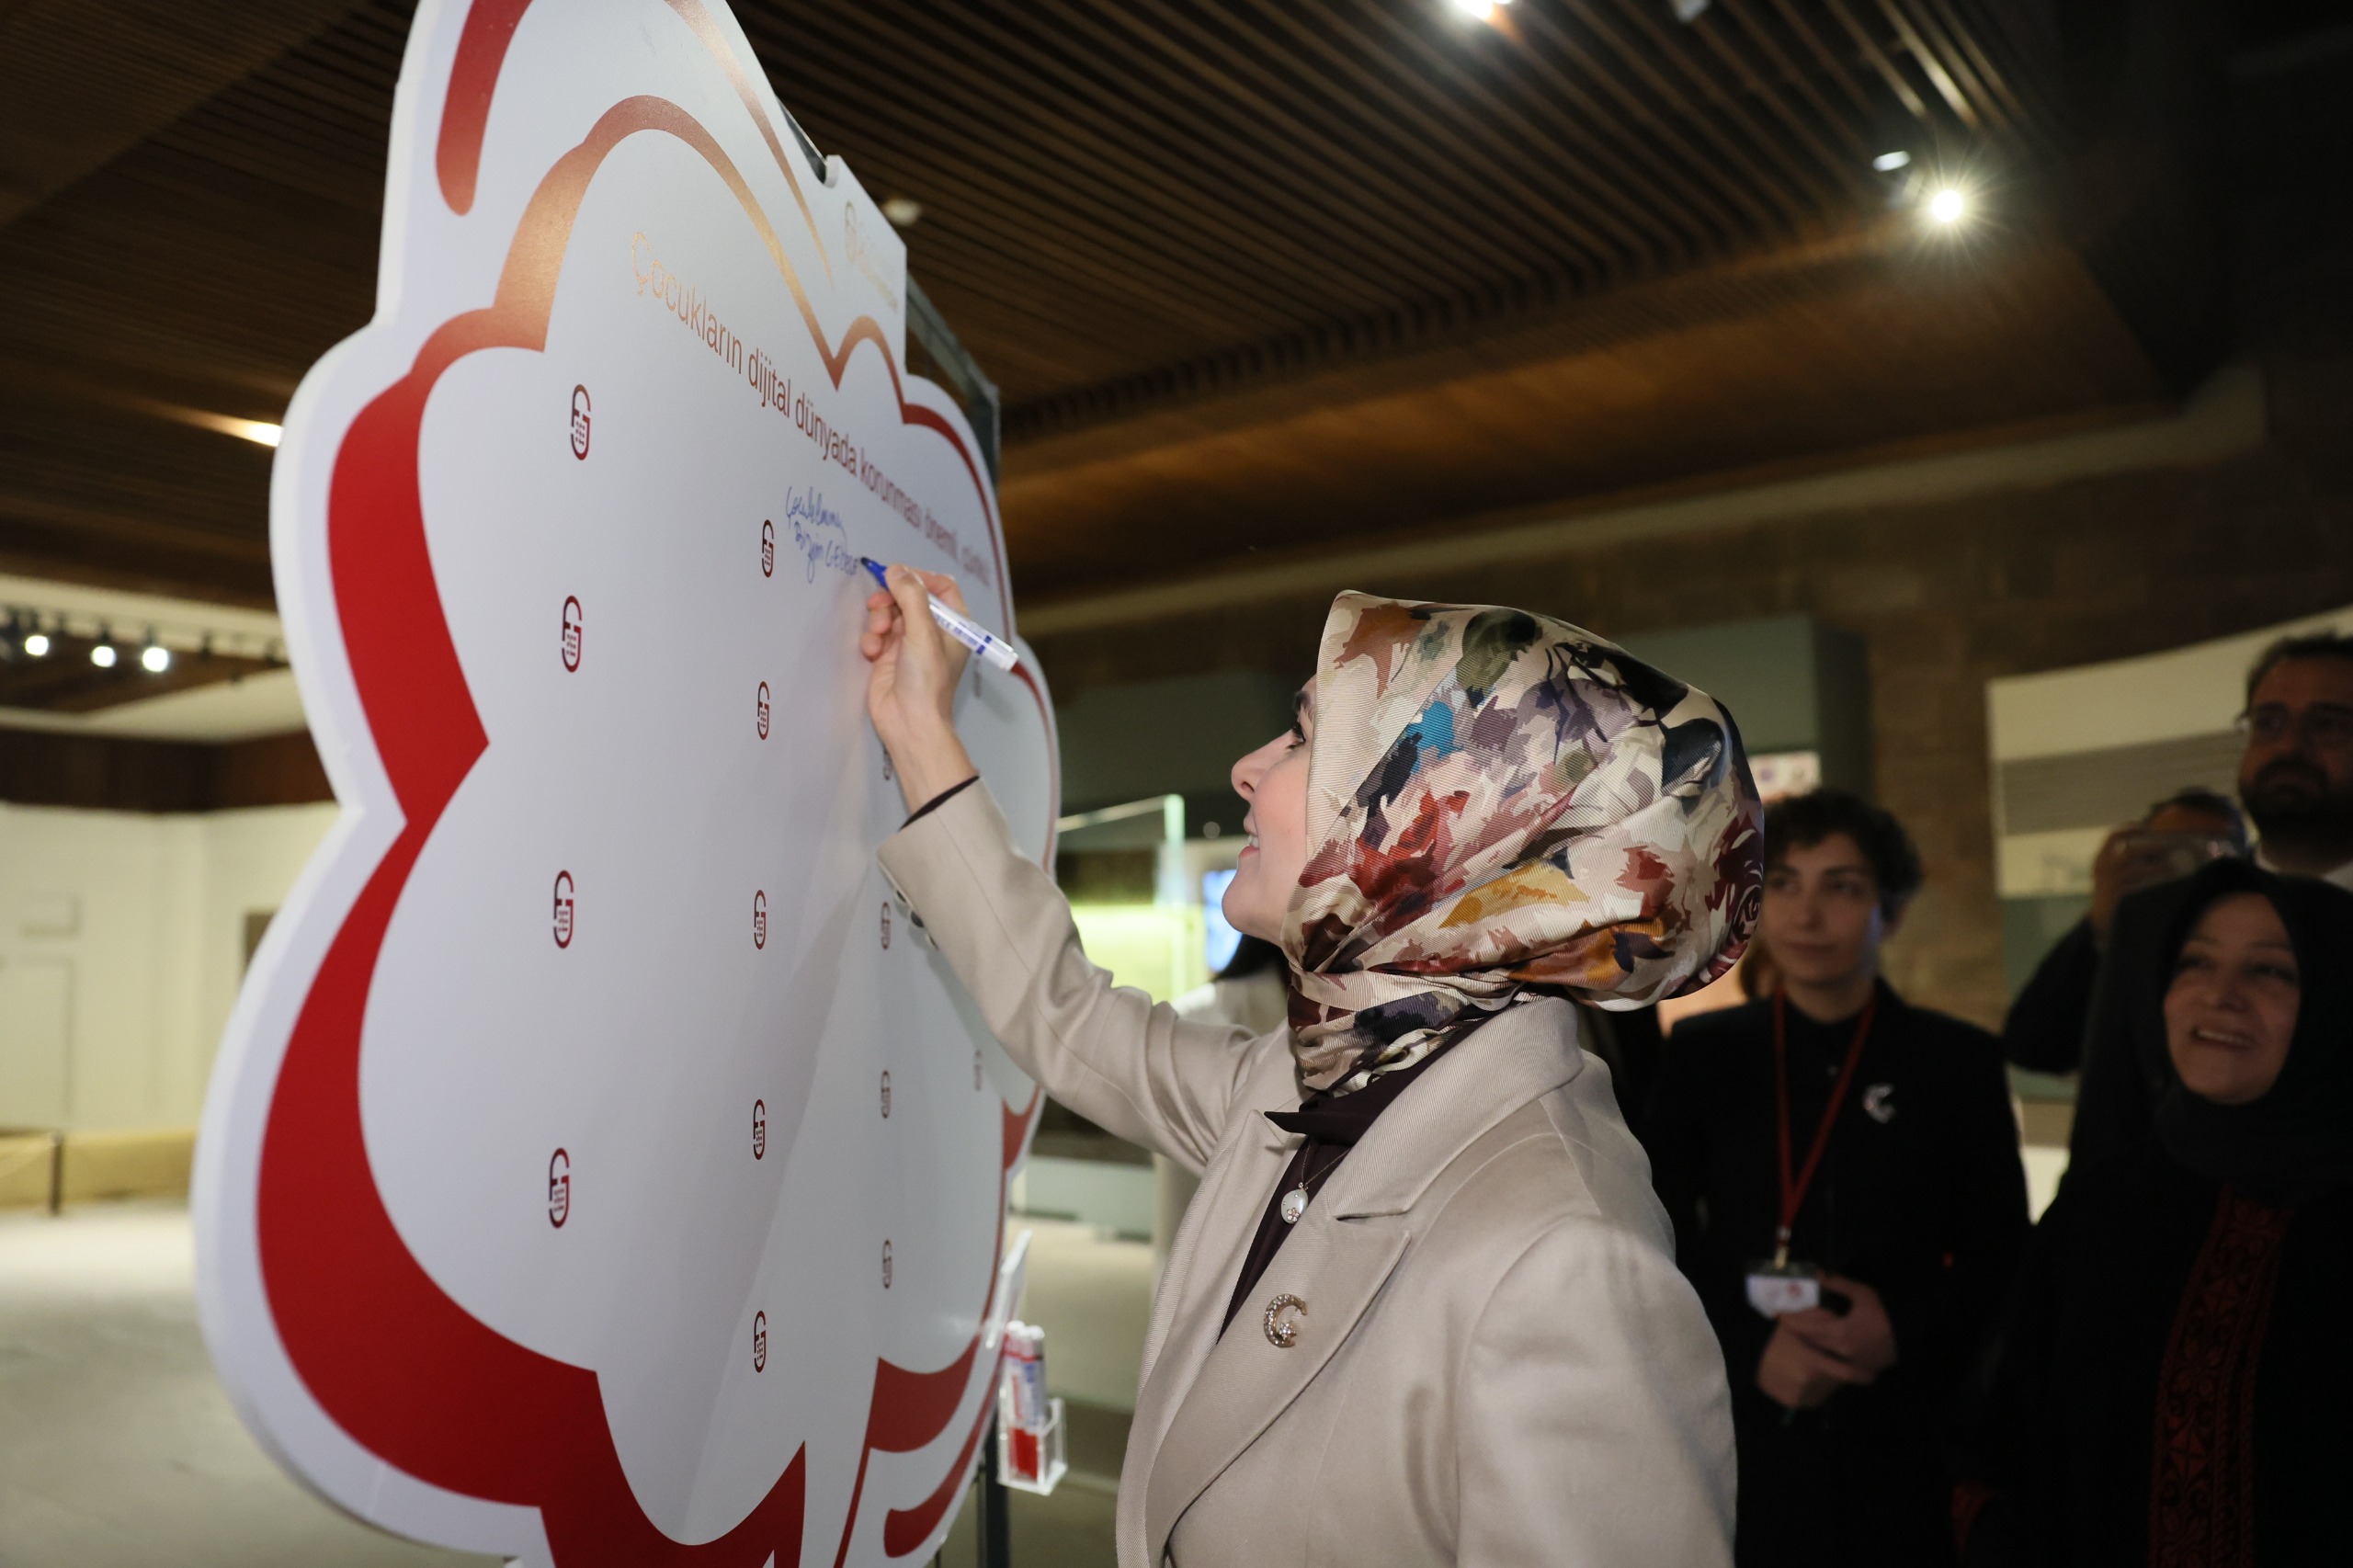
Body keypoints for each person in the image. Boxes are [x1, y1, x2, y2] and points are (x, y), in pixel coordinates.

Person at [861, 566, 1760, 1567]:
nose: (1247, 769)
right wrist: (918, 727)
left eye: (1301, 739)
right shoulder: (1324, 1081)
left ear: (1439, 823)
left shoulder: (1565, 1261)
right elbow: (1069, 1018)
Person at [1643, 789, 2029, 1568]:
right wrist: (1752, 1346)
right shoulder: (1704, 1054)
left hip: (1904, 1430)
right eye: (1783, 883)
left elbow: (2003, 1256)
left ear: (1893, 908)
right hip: (1742, 1420)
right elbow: (1657, 1236)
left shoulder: (1955, 1062)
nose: (1807, 914)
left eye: (1842, 887)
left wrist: (1902, 1331)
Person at [1960, 860, 2353, 1566]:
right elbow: (2011, 1444)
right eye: (2195, 963)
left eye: (2271, 972)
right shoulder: (2103, 1206)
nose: (2219, 996)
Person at [2070, 631, 2353, 1174]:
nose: (2289, 746)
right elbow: (2109, 1122)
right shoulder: (2153, 917)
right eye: (2269, 722)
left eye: (2328, 724)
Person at [2000, 788, 2246, 1075]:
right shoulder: (2124, 946)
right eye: (2172, 849)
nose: (2189, 865)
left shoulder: (2265, 944)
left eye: (2214, 850)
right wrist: (2101, 922)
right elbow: (2033, 1047)